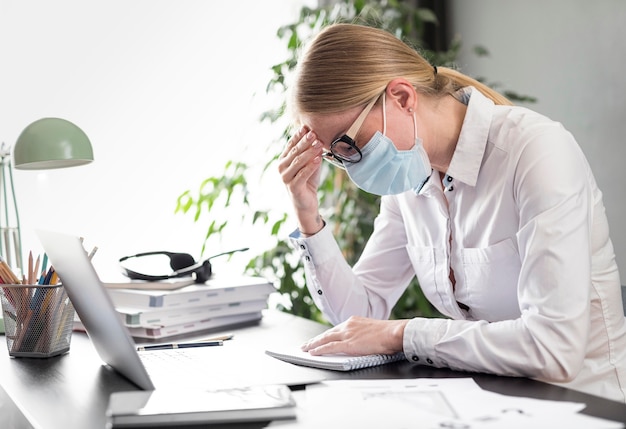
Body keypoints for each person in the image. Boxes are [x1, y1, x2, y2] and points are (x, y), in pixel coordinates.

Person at [277, 23, 626, 402]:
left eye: (348, 144)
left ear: (402, 97)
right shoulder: (409, 175)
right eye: (333, 155)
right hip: (495, 402)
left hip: (587, 404)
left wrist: (402, 333)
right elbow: (359, 314)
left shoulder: (536, 153)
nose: (349, 165)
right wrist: (307, 214)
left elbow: (554, 348)